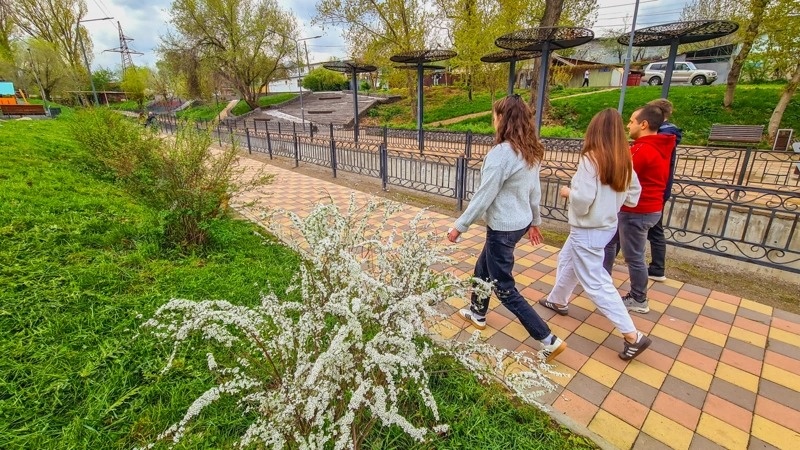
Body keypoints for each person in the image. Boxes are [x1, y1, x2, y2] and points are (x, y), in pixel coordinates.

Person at [448, 94, 566, 363]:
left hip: (503, 228)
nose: (493, 120)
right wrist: (535, 222)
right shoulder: (531, 149)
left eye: (494, 115)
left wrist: (460, 226)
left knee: (504, 287)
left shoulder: (502, 154)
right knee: (482, 270)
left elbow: (484, 195)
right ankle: (478, 313)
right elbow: (534, 193)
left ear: (502, 119)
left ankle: (547, 339)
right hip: (519, 224)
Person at [539, 109, 651, 361]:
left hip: (587, 228)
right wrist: (611, 201)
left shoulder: (591, 159)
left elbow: (583, 201)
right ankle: (558, 300)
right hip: (605, 226)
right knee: (568, 260)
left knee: (596, 282)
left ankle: (632, 335)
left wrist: (568, 193)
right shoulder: (623, 159)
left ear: (595, 131)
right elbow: (634, 195)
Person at [603, 104, 676, 314]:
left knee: (634, 256)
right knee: (609, 242)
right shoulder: (659, 145)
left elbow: (619, 175)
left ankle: (638, 298)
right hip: (644, 208)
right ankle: (601, 280)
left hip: (637, 210)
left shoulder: (643, 149)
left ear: (644, 124)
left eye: (632, 121)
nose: (628, 125)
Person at [645, 99, 682, 282]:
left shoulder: (662, 136)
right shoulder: (667, 136)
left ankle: (657, 268)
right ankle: (657, 268)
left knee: (654, 229)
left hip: (653, 191)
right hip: (659, 189)